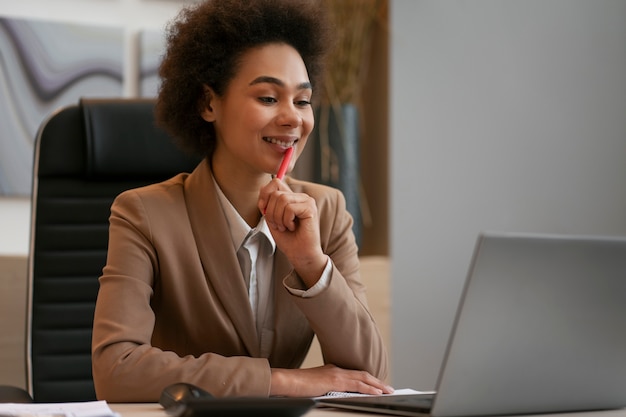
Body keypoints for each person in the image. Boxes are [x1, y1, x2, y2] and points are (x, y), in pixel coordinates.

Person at [91, 0, 391, 402]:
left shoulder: (327, 210)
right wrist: (281, 381)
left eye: (302, 101)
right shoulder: (144, 214)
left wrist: (310, 264)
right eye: (268, 98)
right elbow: (116, 370)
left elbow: (368, 375)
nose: (293, 119)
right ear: (208, 104)